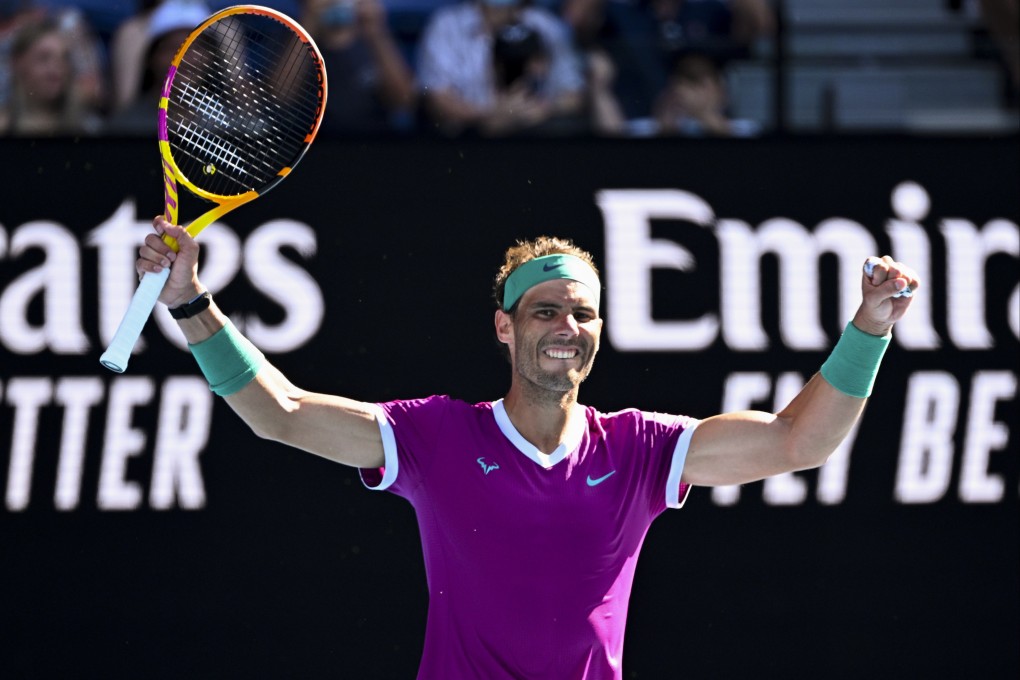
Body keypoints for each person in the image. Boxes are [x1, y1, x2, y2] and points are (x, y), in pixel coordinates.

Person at [136, 218, 919, 678]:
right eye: (544, 312)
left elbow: (798, 442)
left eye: (581, 313)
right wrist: (191, 303)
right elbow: (284, 414)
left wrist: (870, 329)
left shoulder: (641, 448)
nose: (565, 328)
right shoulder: (436, 437)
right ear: (505, 327)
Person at [416, 0, 586, 136]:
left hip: (538, 140)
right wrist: (493, 115)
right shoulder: (445, 26)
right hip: (468, 142)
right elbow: (437, 101)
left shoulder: (547, 25)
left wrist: (543, 108)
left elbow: (574, 95)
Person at [300, 0, 418, 134]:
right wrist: (308, 24)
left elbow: (404, 100)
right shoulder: (295, 38)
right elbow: (279, 99)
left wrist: (376, 32)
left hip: (374, 142)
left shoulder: (374, 37)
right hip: (315, 143)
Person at [104, 0, 211, 135]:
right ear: (152, 58)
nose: (186, 59)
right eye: (174, 48)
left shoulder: (232, 124)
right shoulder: (124, 128)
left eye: (196, 48)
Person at [0, 15, 101, 136]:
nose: (56, 68)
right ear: (17, 63)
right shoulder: (3, 125)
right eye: (44, 58)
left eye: (64, 58)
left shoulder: (88, 128)